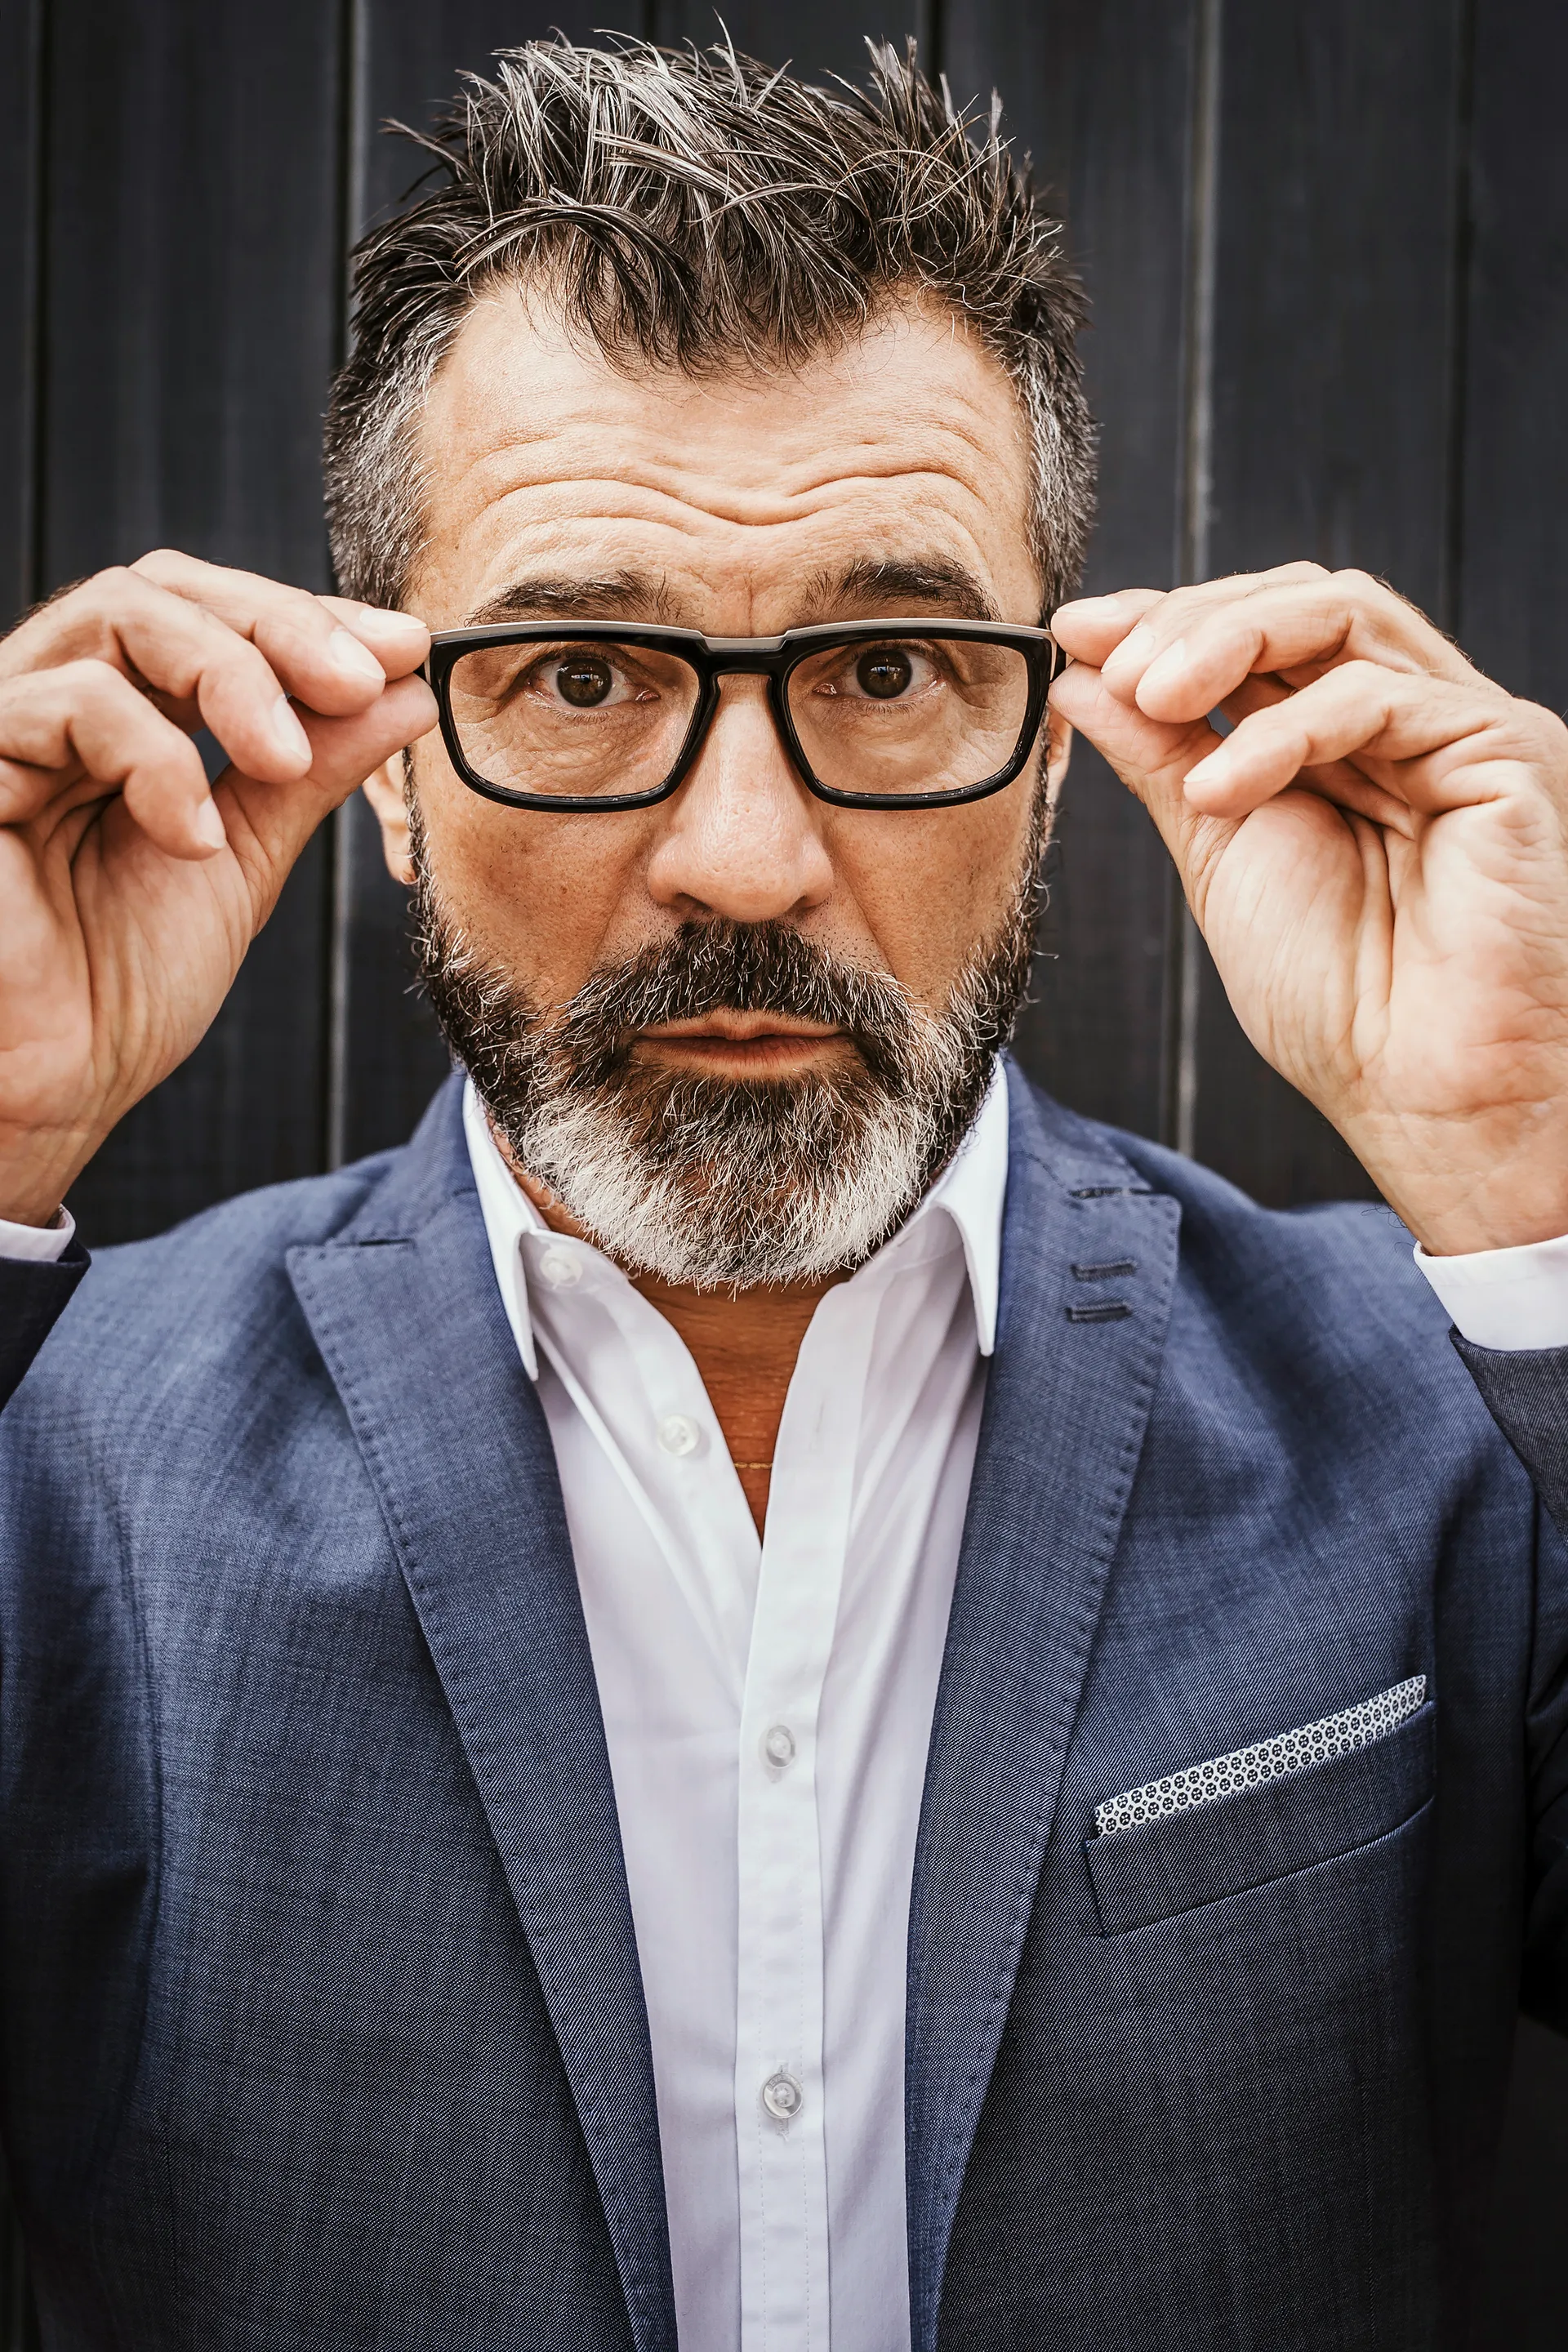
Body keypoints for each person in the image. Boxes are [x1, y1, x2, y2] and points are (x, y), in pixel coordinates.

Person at [2, 36, 1566, 2352]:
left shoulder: (1452, 1402)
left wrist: (1533, 1173)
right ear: (390, 770)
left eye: (899, 663)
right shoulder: (57, 1448)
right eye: (580, 670)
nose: (742, 855)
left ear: (1050, 757)